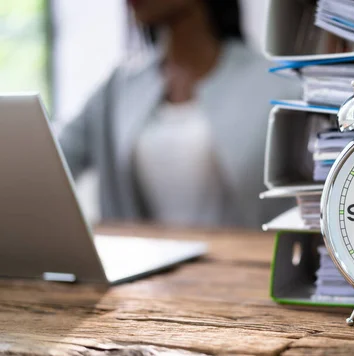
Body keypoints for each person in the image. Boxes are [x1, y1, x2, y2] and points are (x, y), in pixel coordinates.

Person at [59, 0, 298, 228]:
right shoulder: (118, 89)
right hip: (149, 265)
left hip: (246, 264)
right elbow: (54, 159)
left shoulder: (280, 86)